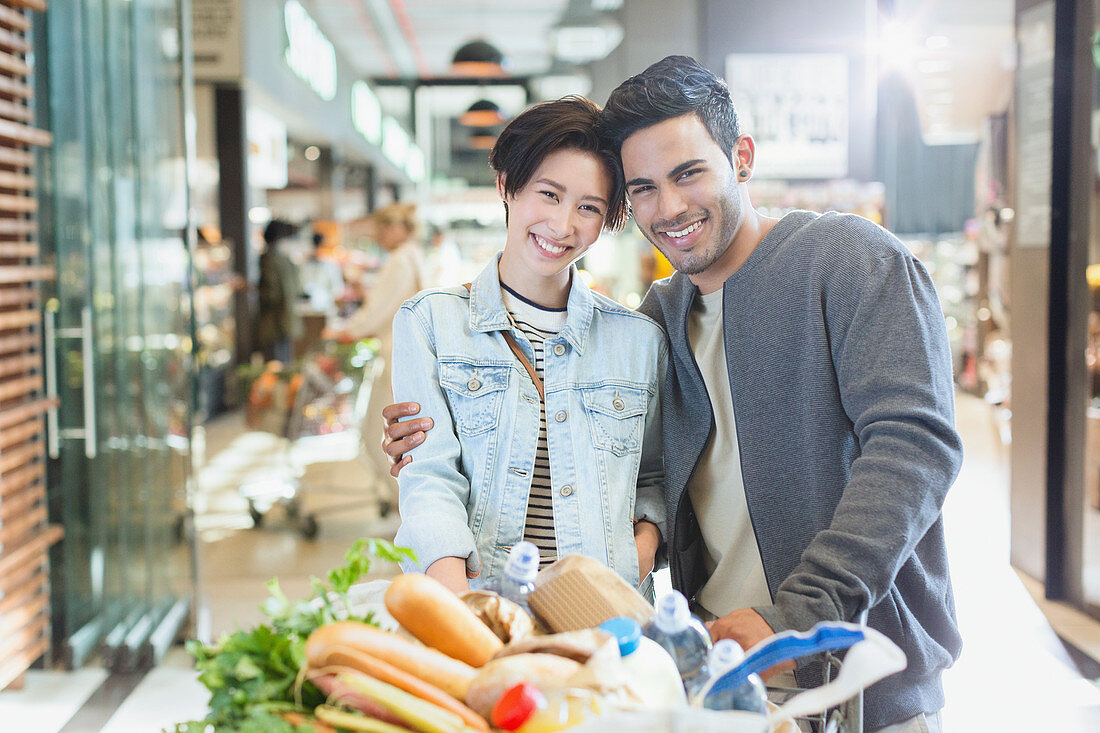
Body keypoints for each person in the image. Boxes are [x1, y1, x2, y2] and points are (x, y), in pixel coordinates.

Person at [382, 56, 962, 733]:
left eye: (689, 173)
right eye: (645, 188)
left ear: (741, 157)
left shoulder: (850, 261)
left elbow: (914, 449)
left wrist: (800, 613)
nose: (671, 208)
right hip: (711, 681)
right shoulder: (659, 318)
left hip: (853, 684)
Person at [388, 96, 666, 596]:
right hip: (478, 599)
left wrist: (640, 554)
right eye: (549, 194)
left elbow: (655, 480)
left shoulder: (638, 341)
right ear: (506, 186)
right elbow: (429, 479)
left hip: (604, 615)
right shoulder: (430, 323)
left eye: (589, 208)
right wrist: (465, 612)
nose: (563, 226)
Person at [325, 202, 427, 511]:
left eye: (383, 228)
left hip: (396, 356)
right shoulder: (414, 255)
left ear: (397, 228)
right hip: (408, 354)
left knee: (374, 433)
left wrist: (346, 331)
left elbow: (378, 310)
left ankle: (404, 505)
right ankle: (405, 501)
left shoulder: (400, 260)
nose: (380, 236)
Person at [256, 218, 303, 363]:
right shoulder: (285, 259)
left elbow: (271, 293)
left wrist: (255, 290)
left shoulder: (269, 260)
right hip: (287, 318)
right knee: (285, 362)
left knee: (274, 366)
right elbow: (297, 288)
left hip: (274, 321)